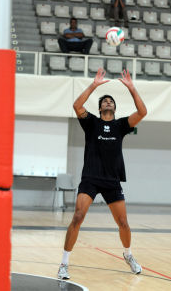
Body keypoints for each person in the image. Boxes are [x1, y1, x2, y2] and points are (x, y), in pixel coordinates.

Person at [58, 68, 147, 280]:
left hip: (112, 181)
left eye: (110, 100)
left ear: (114, 107)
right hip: (90, 178)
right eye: (104, 101)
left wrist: (132, 88)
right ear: (99, 108)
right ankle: (64, 263)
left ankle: (128, 254)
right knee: (78, 216)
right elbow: (77, 106)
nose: (107, 102)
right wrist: (94, 85)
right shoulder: (91, 123)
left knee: (123, 223)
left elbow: (143, 112)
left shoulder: (120, 125)